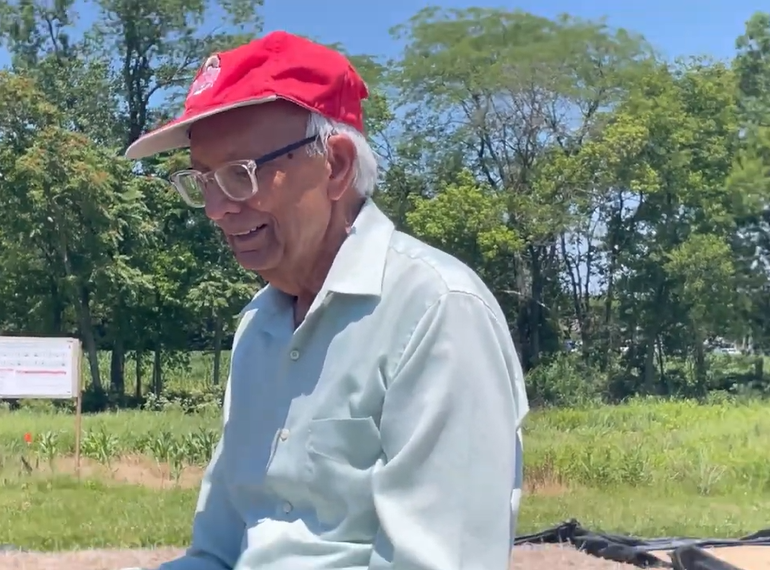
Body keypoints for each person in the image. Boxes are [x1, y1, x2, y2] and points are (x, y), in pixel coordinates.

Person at [123, 30, 529, 570]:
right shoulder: (258, 326)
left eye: (240, 176)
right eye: (202, 181)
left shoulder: (436, 310)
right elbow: (218, 549)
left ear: (335, 166)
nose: (216, 209)